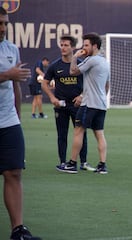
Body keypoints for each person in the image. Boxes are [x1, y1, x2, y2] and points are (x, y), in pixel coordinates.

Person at [0, 7, 42, 240]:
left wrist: (17, 116)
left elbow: (16, 86)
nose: (3, 28)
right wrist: (7, 75)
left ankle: (18, 230)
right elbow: (10, 77)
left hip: (8, 122)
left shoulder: (11, 49)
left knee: (14, 172)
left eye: (5, 23)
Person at [41, 35, 95, 172]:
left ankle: (84, 162)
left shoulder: (82, 63)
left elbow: (90, 83)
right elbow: (44, 83)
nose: (63, 48)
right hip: (61, 106)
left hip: (78, 105)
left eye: (66, 45)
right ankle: (63, 162)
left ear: (73, 47)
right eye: (62, 45)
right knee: (62, 134)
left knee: (82, 133)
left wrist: (82, 96)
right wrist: (52, 98)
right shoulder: (55, 65)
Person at [60, 32, 110, 174]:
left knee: (78, 132)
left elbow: (72, 71)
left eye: (86, 45)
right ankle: (102, 165)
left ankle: (72, 163)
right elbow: (107, 86)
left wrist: (75, 57)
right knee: (99, 134)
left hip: (89, 104)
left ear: (95, 46)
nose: (83, 47)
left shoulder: (91, 60)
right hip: (101, 105)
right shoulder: (105, 62)